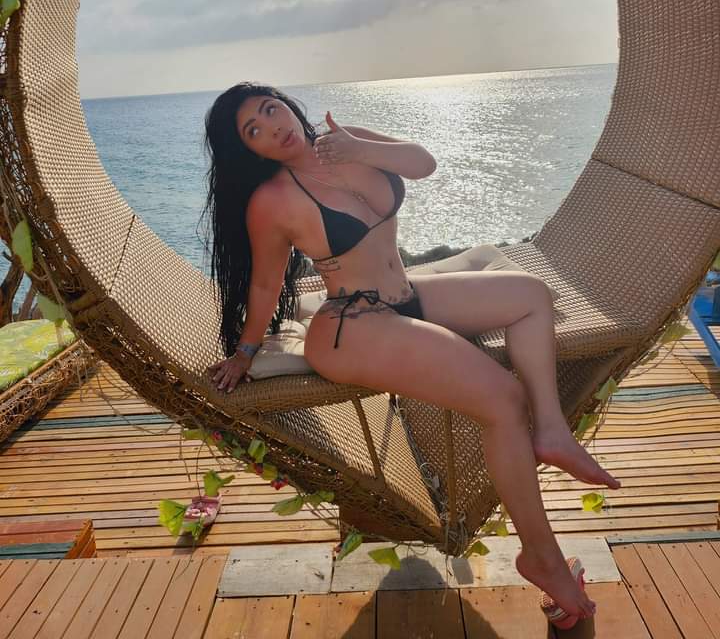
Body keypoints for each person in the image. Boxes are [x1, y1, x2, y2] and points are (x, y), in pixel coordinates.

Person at [202, 81, 620, 623]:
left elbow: (422, 163)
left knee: (531, 296)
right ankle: (542, 556)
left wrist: (358, 147)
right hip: (353, 325)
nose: (272, 126)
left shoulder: (345, 140)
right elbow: (265, 284)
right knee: (501, 398)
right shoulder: (272, 200)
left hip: (406, 295)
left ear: (287, 105)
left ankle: (552, 430)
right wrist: (245, 351)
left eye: (270, 108)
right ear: (250, 150)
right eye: (253, 130)